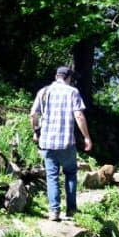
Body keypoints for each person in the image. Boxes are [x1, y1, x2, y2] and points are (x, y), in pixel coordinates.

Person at [30, 66, 92, 221]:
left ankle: (54, 212)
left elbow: (33, 114)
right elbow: (79, 115)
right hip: (66, 143)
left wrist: (36, 132)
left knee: (52, 177)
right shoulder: (72, 92)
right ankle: (71, 210)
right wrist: (86, 137)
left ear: (57, 76)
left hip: (48, 143)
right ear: (68, 77)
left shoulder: (43, 92)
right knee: (70, 173)